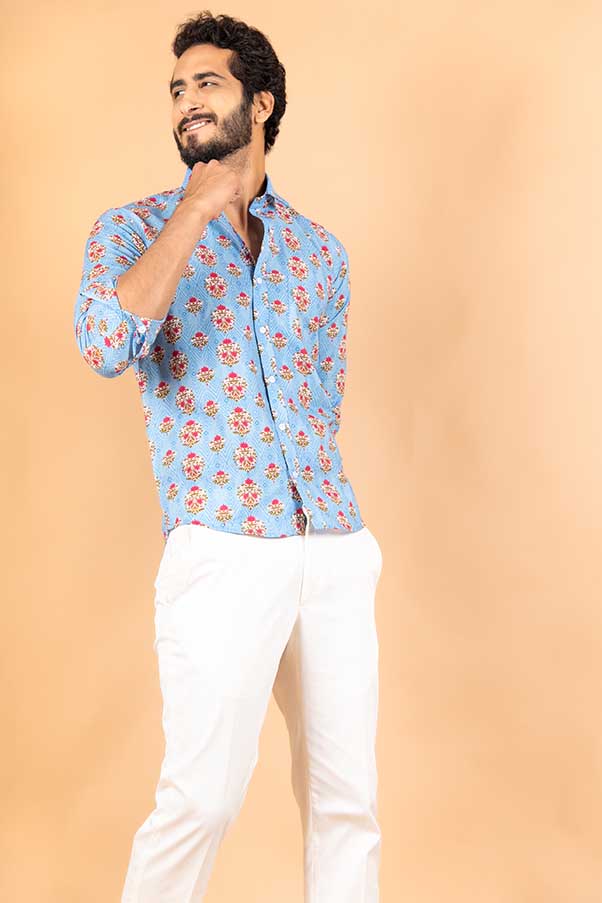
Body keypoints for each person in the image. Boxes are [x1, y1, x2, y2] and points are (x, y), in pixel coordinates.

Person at [73, 10, 383, 902]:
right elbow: (105, 343)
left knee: (346, 803)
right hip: (221, 542)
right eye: (177, 90)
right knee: (202, 799)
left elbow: (321, 399)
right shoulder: (133, 228)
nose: (187, 102)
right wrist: (196, 210)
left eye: (206, 83)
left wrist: (339, 542)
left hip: (331, 542)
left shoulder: (320, 254)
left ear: (262, 102)